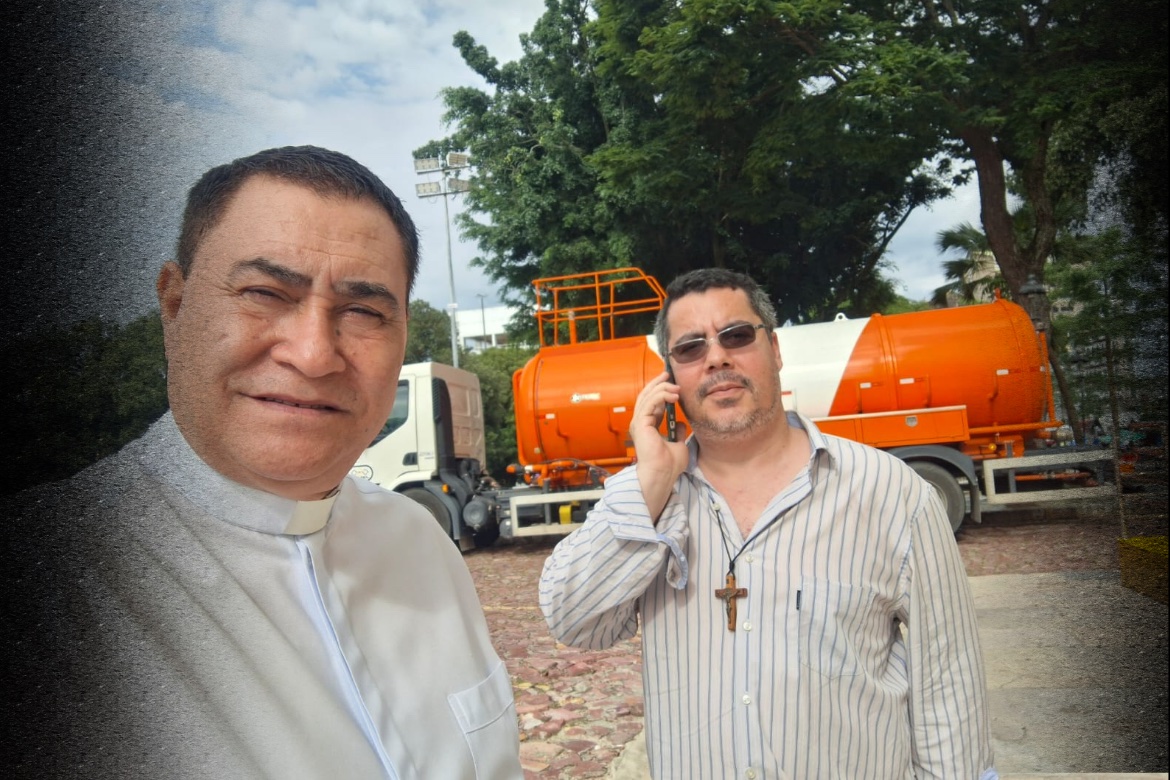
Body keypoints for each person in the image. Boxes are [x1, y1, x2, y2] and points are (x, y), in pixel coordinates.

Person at [4, 146, 522, 779]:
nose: (312, 354)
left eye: (362, 311)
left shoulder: (422, 544)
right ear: (174, 306)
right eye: (263, 292)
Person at [539, 268, 997, 779]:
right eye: (690, 348)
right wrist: (649, 483)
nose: (716, 357)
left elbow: (948, 677)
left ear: (775, 350)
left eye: (735, 336)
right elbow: (573, 619)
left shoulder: (891, 493)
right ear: (670, 378)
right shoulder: (654, 502)